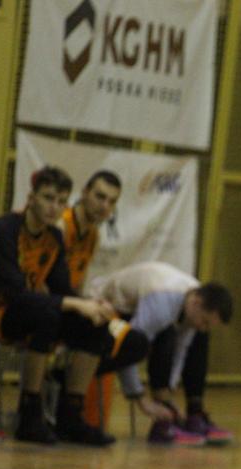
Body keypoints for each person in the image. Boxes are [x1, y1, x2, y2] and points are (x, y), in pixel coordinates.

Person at [0, 166, 149, 445]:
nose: (55, 207)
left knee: (94, 324)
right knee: (48, 314)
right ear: (31, 198)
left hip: (30, 309)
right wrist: (74, 303)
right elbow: (16, 294)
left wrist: (92, 306)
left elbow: (62, 286)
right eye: (48, 198)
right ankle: (30, 412)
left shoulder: (54, 237)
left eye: (61, 201)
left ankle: (71, 414)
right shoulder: (5, 230)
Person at [57, 170, 171, 425]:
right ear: (84, 193)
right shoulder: (62, 226)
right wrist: (82, 305)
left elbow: (77, 284)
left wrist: (92, 303)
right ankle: (70, 408)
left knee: (135, 342)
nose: (104, 206)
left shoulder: (93, 236)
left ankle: (62, 376)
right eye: (100, 197)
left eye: (111, 201)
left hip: (73, 305)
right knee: (96, 329)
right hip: (54, 306)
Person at [85, 261, 234, 446]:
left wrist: (169, 393)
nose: (203, 327)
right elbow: (129, 347)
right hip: (98, 311)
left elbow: (181, 351)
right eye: (204, 321)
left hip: (128, 316)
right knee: (164, 334)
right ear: (196, 303)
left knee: (197, 337)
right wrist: (140, 399)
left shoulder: (193, 298)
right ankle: (162, 421)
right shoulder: (162, 304)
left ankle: (176, 411)